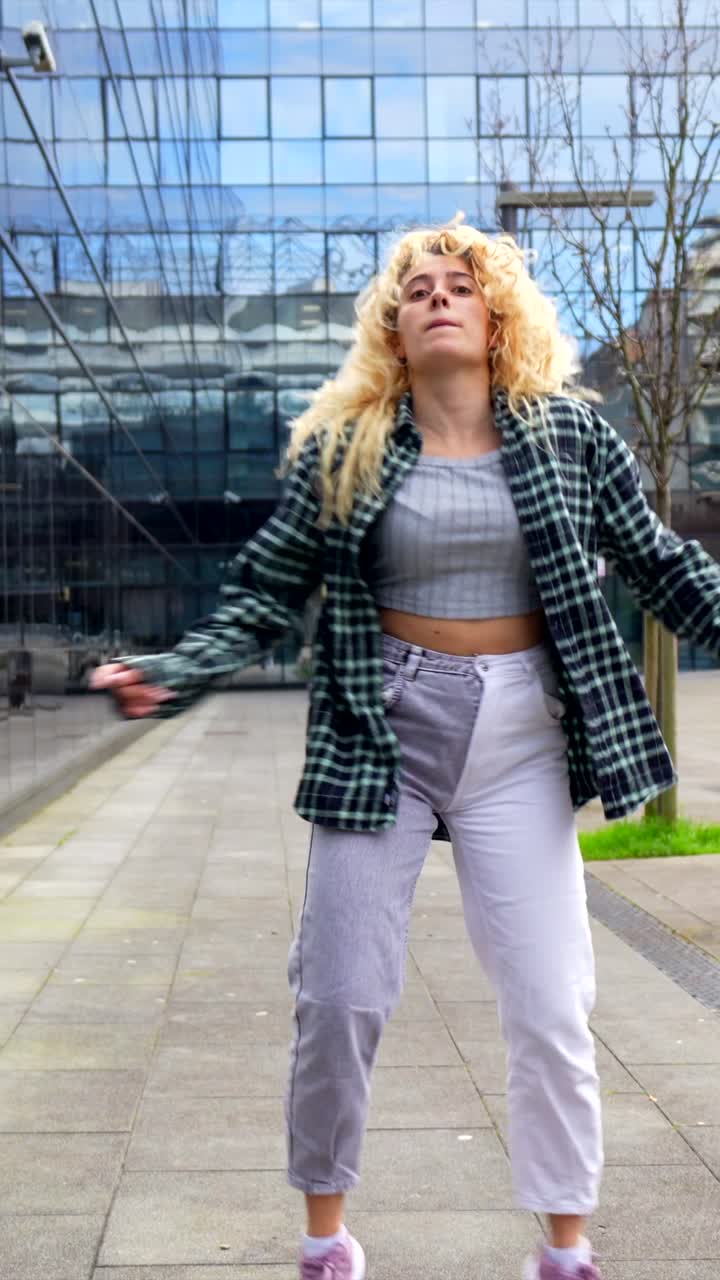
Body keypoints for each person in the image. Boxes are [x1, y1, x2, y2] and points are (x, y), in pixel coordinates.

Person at [91, 220, 720, 1280]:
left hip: (522, 735)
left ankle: (565, 1246)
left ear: (496, 313)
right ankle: (325, 1236)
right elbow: (262, 592)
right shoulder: (350, 447)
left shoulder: (572, 436)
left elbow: (661, 561)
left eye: (459, 285)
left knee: (551, 999)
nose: (437, 298)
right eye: (416, 288)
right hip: (380, 727)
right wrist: (177, 669)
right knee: (339, 994)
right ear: (394, 323)